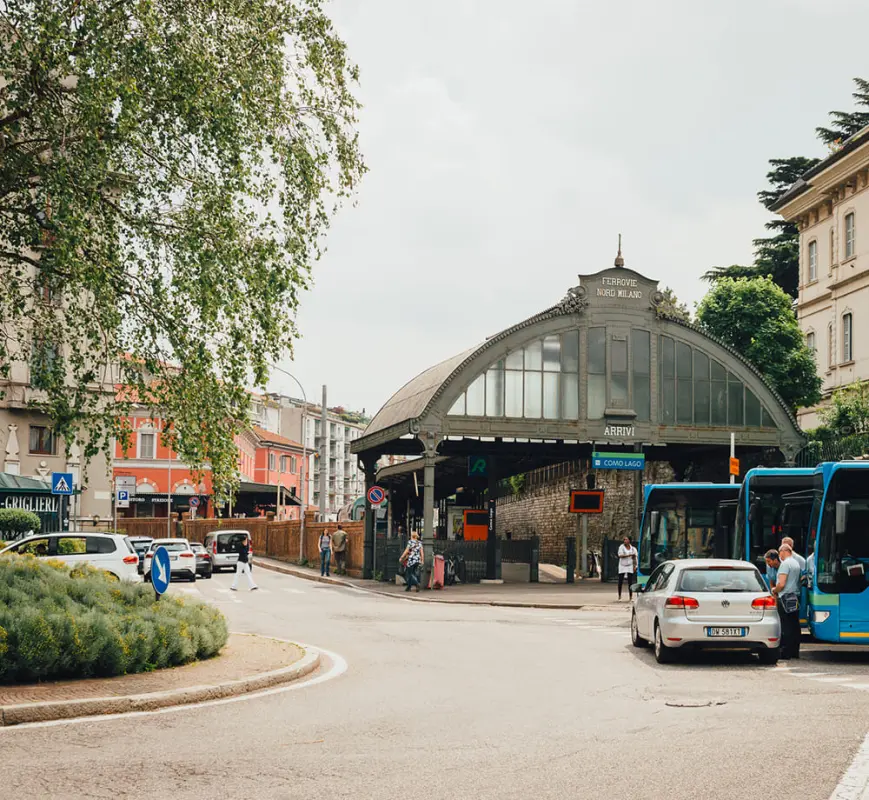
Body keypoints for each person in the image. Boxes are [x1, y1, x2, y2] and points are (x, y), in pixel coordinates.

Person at [770, 543, 801, 659]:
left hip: (785, 597)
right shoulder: (796, 563)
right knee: (794, 625)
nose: (779, 556)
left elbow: (781, 584)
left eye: (780, 553)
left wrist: (774, 589)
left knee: (786, 625)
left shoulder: (785, 564)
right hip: (795, 596)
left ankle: (786, 653)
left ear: (783, 551)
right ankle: (794, 651)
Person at [617, 536, 638, 601]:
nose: (624, 541)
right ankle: (619, 596)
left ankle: (630, 597)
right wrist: (629, 555)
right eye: (624, 539)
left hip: (630, 565)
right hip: (622, 565)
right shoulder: (621, 547)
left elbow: (635, 558)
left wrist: (635, 566)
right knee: (620, 581)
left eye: (626, 539)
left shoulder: (633, 549)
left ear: (629, 540)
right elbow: (620, 555)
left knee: (630, 582)